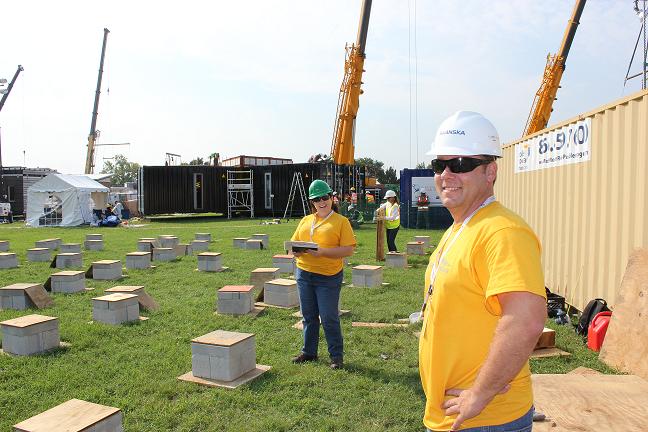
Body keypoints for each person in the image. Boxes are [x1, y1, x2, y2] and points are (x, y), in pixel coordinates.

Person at [418, 111, 546, 431]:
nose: (446, 174)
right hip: (454, 415)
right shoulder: (462, 227)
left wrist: (481, 392)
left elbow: (526, 320)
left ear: (491, 171)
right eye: (439, 164)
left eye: (460, 164)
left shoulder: (502, 232)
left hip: (486, 419)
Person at [290, 179, 356, 369]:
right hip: (304, 273)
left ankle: (336, 356)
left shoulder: (341, 222)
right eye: (316, 199)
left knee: (328, 317)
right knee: (308, 316)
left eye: (325, 197)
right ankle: (309, 352)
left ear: (331, 198)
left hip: (328, 276)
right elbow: (294, 243)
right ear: (312, 202)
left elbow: (348, 250)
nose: (321, 202)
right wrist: (294, 251)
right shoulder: (306, 220)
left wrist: (323, 253)